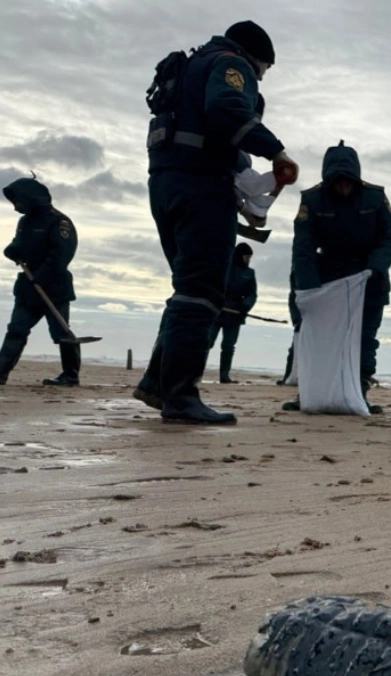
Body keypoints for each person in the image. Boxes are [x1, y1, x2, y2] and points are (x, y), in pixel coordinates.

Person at [135, 20, 298, 424]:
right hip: (200, 188)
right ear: (256, 56)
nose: (261, 77)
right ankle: (180, 397)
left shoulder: (193, 65)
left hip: (168, 183)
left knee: (187, 289)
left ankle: (158, 385)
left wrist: (241, 188)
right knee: (203, 292)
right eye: (265, 69)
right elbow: (226, 112)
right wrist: (276, 152)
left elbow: (208, 131)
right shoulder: (231, 64)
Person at [288, 141, 391, 414]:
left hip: (369, 279)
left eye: (348, 181)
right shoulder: (312, 200)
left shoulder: (375, 198)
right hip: (328, 278)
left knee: (365, 340)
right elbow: (303, 248)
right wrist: (308, 288)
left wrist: (374, 268)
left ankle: (359, 391)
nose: (343, 187)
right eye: (337, 182)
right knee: (321, 338)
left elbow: (389, 239)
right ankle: (310, 392)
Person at [0, 177, 79, 386]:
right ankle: (0, 372)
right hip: (28, 286)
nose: (16, 206)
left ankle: (70, 376)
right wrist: (13, 250)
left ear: (31, 198)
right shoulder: (25, 222)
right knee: (16, 329)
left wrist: (41, 278)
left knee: (62, 333)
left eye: (18, 201)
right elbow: (20, 245)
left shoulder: (59, 222)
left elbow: (61, 255)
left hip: (54, 288)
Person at [209, 242, 257, 383]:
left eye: (249, 257)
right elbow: (213, 285)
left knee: (229, 346)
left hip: (236, 314)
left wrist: (245, 307)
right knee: (207, 342)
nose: (248, 260)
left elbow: (252, 294)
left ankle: (224, 376)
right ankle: (194, 372)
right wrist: (215, 300)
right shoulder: (224, 267)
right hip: (217, 311)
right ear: (239, 255)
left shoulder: (249, 273)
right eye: (246, 257)